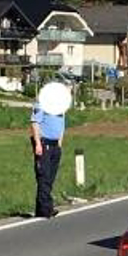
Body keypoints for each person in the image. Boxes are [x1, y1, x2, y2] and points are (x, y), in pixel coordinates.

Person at [30, 81, 71, 218]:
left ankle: (40, 209)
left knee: (50, 178)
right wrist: (37, 143)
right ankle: (47, 208)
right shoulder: (41, 104)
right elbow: (35, 123)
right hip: (44, 143)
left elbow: (61, 124)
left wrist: (60, 141)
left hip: (55, 144)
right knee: (44, 176)